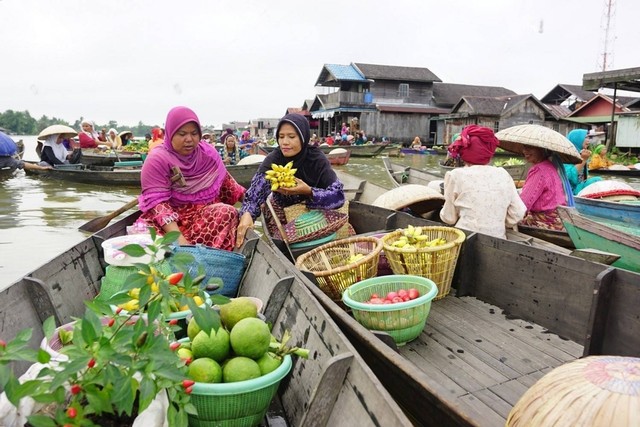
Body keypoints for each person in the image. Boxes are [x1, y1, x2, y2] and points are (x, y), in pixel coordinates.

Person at [135, 106, 246, 250]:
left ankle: (207, 258)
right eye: (182, 134)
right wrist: (181, 241)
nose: (189, 139)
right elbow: (158, 205)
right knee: (146, 242)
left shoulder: (208, 154)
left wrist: (252, 204)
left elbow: (227, 184)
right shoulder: (157, 159)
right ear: (170, 133)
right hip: (168, 222)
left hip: (200, 218)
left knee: (228, 212)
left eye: (194, 133)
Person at [236, 113, 345, 248]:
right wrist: (247, 213)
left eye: (291, 137)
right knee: (282, 241)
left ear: (303, 137)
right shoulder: (274, 159)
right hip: (282, 210)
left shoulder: (317, 159)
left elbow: (339, 197)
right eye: (281, 137)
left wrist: (309, 192)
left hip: (313, 212)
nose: (284, 142)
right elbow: (254, 195)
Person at [440, 125, 526, 239]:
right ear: (489, 153)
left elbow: (449, 218)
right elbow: (519, 212)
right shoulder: (503, 174)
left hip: (465, 239)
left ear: (463, 154)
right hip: (498, 239)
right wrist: (497, 222)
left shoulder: (456, 175)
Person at [518, 146, 567, 230]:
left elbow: (524, 204)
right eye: (524, 147)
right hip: (559, 217)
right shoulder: (550, 165)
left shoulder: (539, 170)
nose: (525, 151)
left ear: (541, 149)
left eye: (530, 147)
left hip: (547, 222)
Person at [564, 129, 601, 194]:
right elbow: (569, 177)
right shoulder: (566, 155)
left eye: (588, 137)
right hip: (569, 190)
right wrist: (583, 159)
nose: (588, 140)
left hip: (579, 186)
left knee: (598, 180)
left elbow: (584, 178)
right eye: (585, 137)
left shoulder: (581, 153)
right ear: (577, 139)